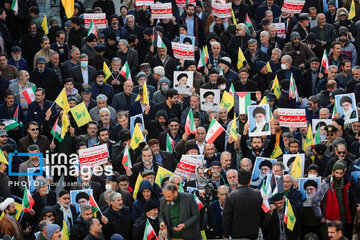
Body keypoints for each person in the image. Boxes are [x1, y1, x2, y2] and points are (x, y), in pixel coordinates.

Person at [222, 168, 262, 239]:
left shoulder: (231, 196)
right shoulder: (257, 194)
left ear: (237, 180)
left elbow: (226, 219)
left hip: (237, 235)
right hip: (253, 234)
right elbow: (262, 214)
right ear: (250, 181)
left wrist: (225, 235)